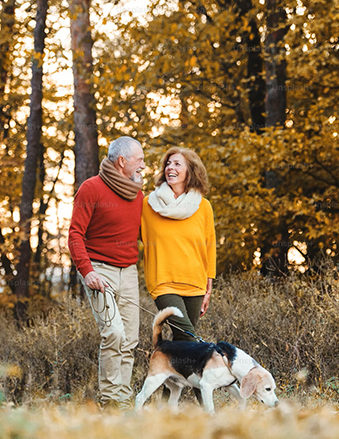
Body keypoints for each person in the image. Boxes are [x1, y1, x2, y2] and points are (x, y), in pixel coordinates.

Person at [68, 136, 145, 410]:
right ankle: (110, 401)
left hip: (129, 272)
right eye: (139, 161)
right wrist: (87, 271)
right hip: (99, 270)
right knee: (112, 332)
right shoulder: (91, 188)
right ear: (122, 161)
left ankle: (122, 400)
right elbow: (75, 234)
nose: (143, 167)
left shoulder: (137, 194)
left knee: (130, 339)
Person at [141, 147, 216, 342]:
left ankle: (173, 372)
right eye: (168, 163)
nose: (170, 168)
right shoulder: (148, 205)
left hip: (195, 284)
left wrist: (208, 287)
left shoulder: (203, 206)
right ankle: (207, 370)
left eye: (176, 164)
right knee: (188, 337)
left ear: (190, 171)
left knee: (182, 343)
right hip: (163, 283)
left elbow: (209, 247)